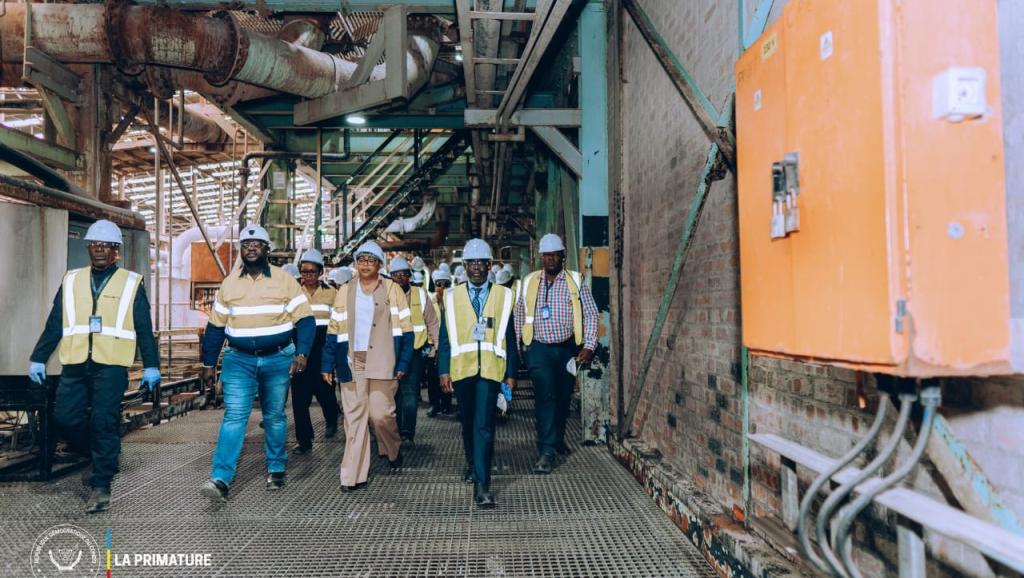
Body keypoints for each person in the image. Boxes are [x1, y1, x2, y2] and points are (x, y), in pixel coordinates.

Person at [28, 220, 161, 513]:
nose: (100, 250)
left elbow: (143, 327)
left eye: (106, 246)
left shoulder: (131, 282)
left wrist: (152, 365)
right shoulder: (72, 279)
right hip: (75, 362)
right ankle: (100, 453)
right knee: (65, 417)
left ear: (116, 251)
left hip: (110, 364)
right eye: (95, 245)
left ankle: (101, 484)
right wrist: (38, 356)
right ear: (89, 248)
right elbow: (55, 322)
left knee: (103, 421)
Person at [199, 225, 315, 502]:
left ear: (266, 249)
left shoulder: (284, 281)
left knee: (274, 415)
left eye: (257, 244)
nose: (251, 248)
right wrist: (208, 363)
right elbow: (215, 328)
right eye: (246, 244)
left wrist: (302, 353)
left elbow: (305, 320)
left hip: (278, 358)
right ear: (241, 249)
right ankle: (220, 478)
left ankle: (276, 467)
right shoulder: (229, 284)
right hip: (238, 360)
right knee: (234, 416)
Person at [321, 241, 413, 491]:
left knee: (380, 415)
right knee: (355, 418)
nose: (365, 265)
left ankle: (392, 448)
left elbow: (407, 330)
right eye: (361, 260)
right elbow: (334, 329)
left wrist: (404, 361)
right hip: (355, 359)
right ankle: (352, 476)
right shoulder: (345, 290)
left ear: (380, 265)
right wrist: (328, 363)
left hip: (384, 358)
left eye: (371, 260)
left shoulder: (392, 289)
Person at [438, 239, 518, 509]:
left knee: (484, 424)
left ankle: (482, 486)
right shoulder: (451, 297)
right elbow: (445, 337)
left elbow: (509, 336)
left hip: (491, 370)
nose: (476, 267)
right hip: (462, 370)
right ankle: (473, 464)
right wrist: (443, 370)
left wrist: (511, 373)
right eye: (471, 263)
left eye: (481, 262)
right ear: (465, 266)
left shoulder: (503, 296)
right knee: (468, 422)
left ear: (489, 264)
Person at [515, 233, 599, 474]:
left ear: (563, 256)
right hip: (538, 348)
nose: (550, 259)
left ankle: (557, 438)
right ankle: (547, 451)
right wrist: (519, 345)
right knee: (546, 396)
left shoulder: (575, 281)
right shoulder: (529, 282)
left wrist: (589, 346)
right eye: (546, 255)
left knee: (563, 397)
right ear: (541, 257)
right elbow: (519, 313)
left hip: (566, 350)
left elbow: (591, 314)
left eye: (554, 255)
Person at [291, 249, 340, 454]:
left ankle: (332, 419)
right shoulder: (294, 292)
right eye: (304, 271)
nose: (308, 275)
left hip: (323, 347)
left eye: (312, 271)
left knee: (325, 390)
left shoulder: (332, 293)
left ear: (320, 272)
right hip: (300, 347)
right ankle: (304, 440)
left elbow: (338, 322)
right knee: (299, 396)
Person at [387, 256, 440, 442]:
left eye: (403, 274)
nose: (400, 277)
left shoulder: (420, 294)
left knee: (410, 393)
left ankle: (407, 432)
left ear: (409, 276)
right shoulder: (384, 295)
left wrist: (436, 347)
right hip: (391, 352)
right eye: (396, 274)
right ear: (390, 276)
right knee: (393, 394)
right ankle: (394, 430)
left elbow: (432, 322)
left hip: (415, 352)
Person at [426, 268, 453, 417]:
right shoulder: (430, 303)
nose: (442, 287)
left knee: (447, 373)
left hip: (448, 346)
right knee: (432, 377)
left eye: (446, 284)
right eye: (439, 284)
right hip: (433, 346)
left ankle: (446, 404)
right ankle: (434, 404)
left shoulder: (453, 303)